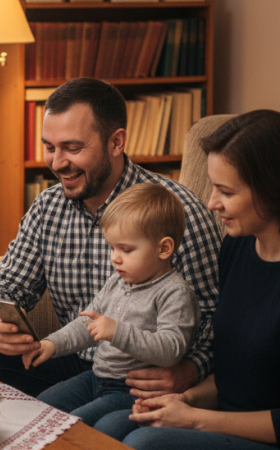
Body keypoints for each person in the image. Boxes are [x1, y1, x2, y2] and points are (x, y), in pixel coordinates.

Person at [0, 77, 221, 399]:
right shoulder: (48, 207)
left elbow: (216, 316)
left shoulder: (178, 211)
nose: (58, 163)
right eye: (50, 147)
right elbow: (5, 284)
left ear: (116, 142)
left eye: (73, 148)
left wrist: (191, 370)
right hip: (73, 361)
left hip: (143, 375)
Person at [95, 110, 280, 450]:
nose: (211, 203)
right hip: (221, 413)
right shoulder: (237, 247)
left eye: (226, 191)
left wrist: (195, 419)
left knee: (145, 442)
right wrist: (184, 400)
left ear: (271, 189)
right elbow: (233, 377)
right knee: (103, 431)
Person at [22, 183, 199, 430]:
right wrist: (52, 344)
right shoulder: (118, 280)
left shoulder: (175, 293)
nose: (115, 257)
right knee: (41, 407)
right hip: (96, 378)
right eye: (112, 247)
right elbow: (88, 323)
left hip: (132, 390)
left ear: (164, 248)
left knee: (78, 426)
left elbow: (171, 350)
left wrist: (117, 332)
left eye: (126, 249)